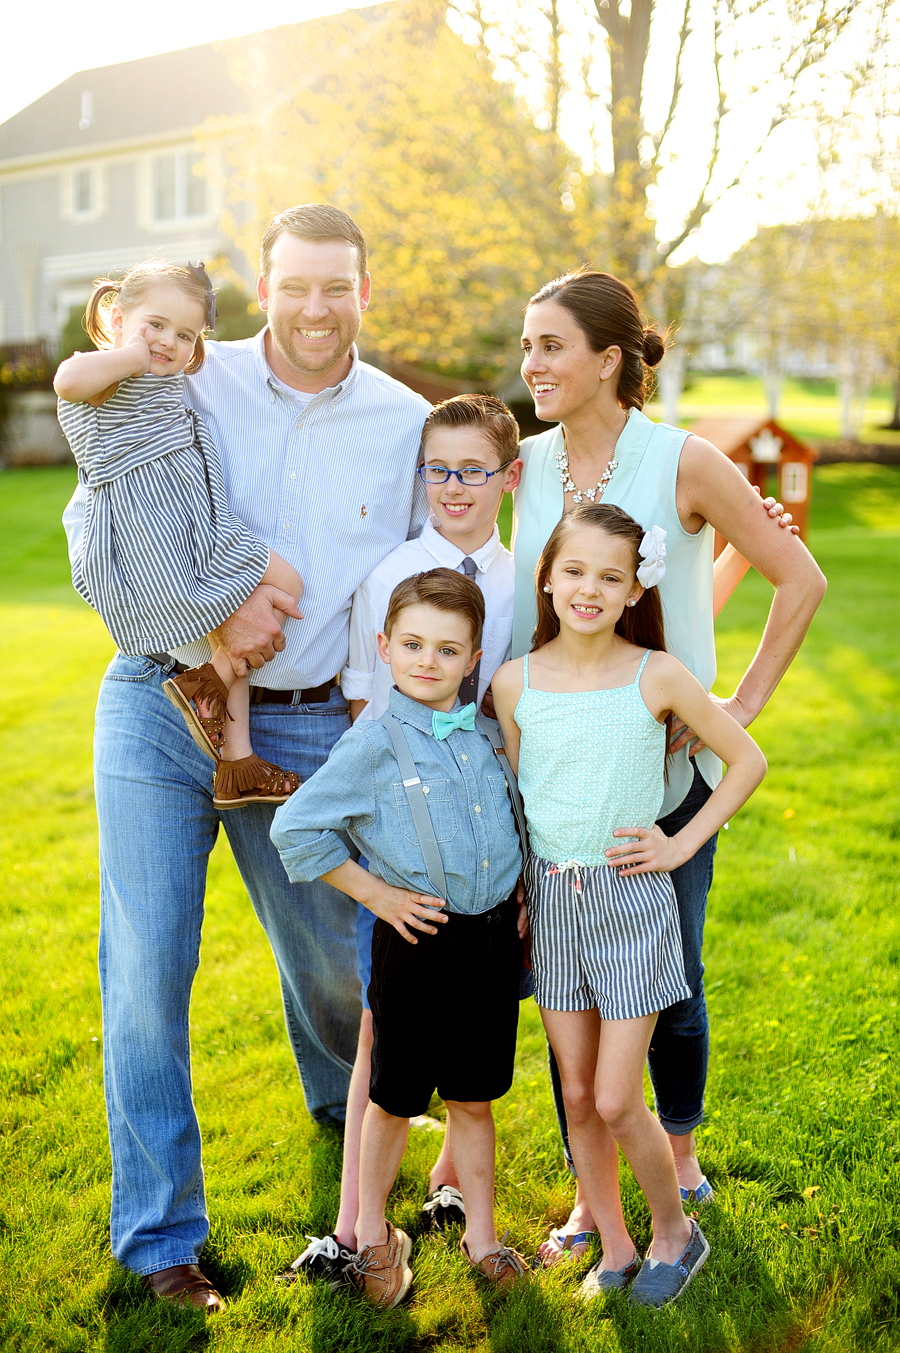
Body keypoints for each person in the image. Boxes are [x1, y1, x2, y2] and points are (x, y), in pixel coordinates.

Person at [60, 205, 430, 1310]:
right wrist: (203, 629)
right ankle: (161, 1238)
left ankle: (345, 1113)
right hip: (154, 699)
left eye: (338, 286)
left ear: (367, 291)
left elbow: (428, 573)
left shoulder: (403, 421)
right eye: (295, 285)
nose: (315, 308)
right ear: (263, 289)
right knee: (144, 975)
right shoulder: (175, 370)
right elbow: (107, 519)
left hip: (313, 722)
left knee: (332, 962)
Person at [512, 269, 826, 1263]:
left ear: (612, 358)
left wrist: (737, 705)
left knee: (671, 982)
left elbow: (799, 578)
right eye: (527, 347)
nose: (533, 366)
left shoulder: (684, 461)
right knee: (572, 1008)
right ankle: (589, 1199)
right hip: (557, 792)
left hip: (667, 791)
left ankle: (679, 1160)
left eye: (552, 346)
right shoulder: (517, 467)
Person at [492, 502, 766, 1306]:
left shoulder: (658, 675)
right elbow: (521, 796)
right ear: (545, 578)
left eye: (609, 577)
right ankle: (613, 1245)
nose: (589, 588)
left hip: (631, 904)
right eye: (574, 570)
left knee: (616, 1096)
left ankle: (675, 1232)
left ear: (630, 588)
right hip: (552, 904)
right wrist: (521, 889)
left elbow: (745, 760)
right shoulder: (516, 682)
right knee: (576, 1093)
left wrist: (679, 846)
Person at [281, 394, 522, 1287]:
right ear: (390, 645)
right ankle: (368, 1231)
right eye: (411, 645)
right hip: (412, 931)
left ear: (473, 658)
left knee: (475, 1092)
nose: (427, 659)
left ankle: (481, 1233)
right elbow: (304, 822)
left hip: (491, 938)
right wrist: (377, 891)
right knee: (389, 1082)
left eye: (446, 649)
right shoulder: (379, 717)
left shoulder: (488, 725)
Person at [54, 260, 303, 807]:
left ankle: (236, 760)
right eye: (155, 325)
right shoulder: (106, 378)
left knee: (286, 582)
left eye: (185, 335)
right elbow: (67, 381)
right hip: (154, 532)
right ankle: (220, 715)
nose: (168, 342)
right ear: (118, 317)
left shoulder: (165, 382)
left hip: (195, 521)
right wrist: (129, 353)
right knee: (227, 609)